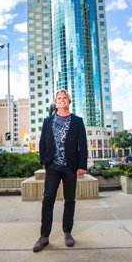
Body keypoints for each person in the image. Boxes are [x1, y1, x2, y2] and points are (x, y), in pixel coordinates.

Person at [33, 89, 88, 252]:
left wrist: (82, 165)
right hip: (52, 167)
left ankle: (67, 232)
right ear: (55, 102)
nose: (62, 100)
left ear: (69, 101)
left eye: (65, 98)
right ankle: (44, 237)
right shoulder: (48, 121)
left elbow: (82, 145)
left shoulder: (77, 121)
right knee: (47, 200)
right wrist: (43, 161)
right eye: (59, 98)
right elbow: (42, 142)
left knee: (69, 200)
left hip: (70, 167)